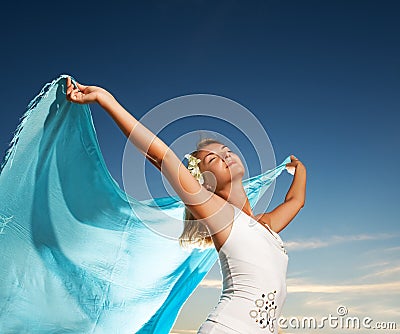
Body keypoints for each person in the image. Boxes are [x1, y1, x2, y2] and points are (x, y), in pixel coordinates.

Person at [66, 76, 307, 333]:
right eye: (212, 159)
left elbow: (296, 201)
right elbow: (161, 156)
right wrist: (106, 100)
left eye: (226, 150)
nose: (225, 155)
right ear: (205, 184)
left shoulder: (264, 226)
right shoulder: (218, 213)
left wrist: (300, 169)